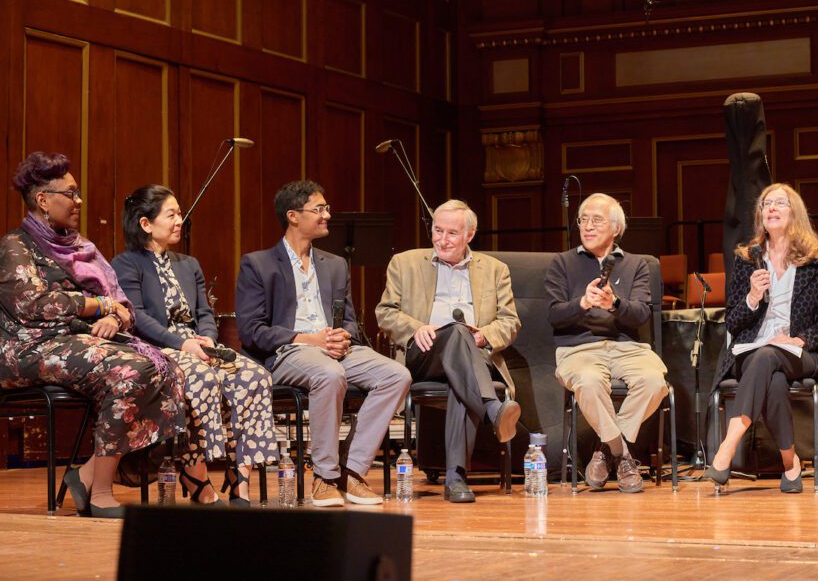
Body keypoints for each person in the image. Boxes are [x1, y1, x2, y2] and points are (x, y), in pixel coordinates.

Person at [0, 152, 185, 518]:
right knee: (129, 370)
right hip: (26, 347)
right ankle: (98, 493)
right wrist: (98, 306)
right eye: (71, 193)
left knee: (170, 369)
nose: (79, 201)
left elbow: (124, 306)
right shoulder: (14, 246)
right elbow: (34, 304)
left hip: (74, 340)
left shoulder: (82, 247)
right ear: (43, 200)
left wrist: (115, 318)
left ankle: (85, 476)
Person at [235, 180, 410, 507]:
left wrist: (344, 337)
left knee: (397, 375)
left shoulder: (335, 265)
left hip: (334, 350)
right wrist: (308, 339)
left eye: (326, 208)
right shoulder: (258, 264)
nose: (328, 215)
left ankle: (352, 470)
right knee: (329, 374)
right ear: (293, 216)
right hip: (288, 351)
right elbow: (252, 331)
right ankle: (324, 476)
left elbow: (348, 320)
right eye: (319, 209)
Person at [112, 185, 279, 507]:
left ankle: (239, 476)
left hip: (197, 345)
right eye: (171, 214)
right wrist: (182, 343)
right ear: (146, 224)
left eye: (179, 212)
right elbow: (138, 317)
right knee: (200, 377)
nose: (180, 220)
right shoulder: (126, 264)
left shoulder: (189, 264)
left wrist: (208, 339)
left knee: (254, 376)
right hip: (157, 348)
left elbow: (205, 312)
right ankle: (195, 473)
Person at [376, 199, 522, 503]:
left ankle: (456, 479)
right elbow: (385, 312)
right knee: (456, 330)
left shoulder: (495, 270)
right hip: (424, 353)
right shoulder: (405, 263)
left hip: (474, 357)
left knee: (460, 376)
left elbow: (509, 322)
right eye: (437, 230)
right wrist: (416, 327)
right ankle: (493, 410)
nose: (442, 240)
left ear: (470, 235)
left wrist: (482, 336)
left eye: (451, 234)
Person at [707, 183, 818, 492]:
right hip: (753, 352)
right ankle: (790, 463)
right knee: (771, 374)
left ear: (795, 212)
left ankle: (727, 445)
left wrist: (802, 340)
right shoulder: (746, 259)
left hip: (801, 352)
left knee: (770, 355)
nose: (772, 208)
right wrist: (753, 297)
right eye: (766, 204)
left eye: (780, 203)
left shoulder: (816, 260)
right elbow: (733, 322)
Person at [545, 193, 668, 493]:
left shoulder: (637, 265)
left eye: (596, 220)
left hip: (628, 347)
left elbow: (640, 314)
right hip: (579, 348)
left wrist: (615, 304)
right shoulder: (562, 263)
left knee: (655, 382)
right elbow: (553, 315)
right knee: (587, 382)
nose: (587, 226)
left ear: (616, 228)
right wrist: (582, 303)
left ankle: (605, 450)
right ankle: (623, 455)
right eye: (583, 220)